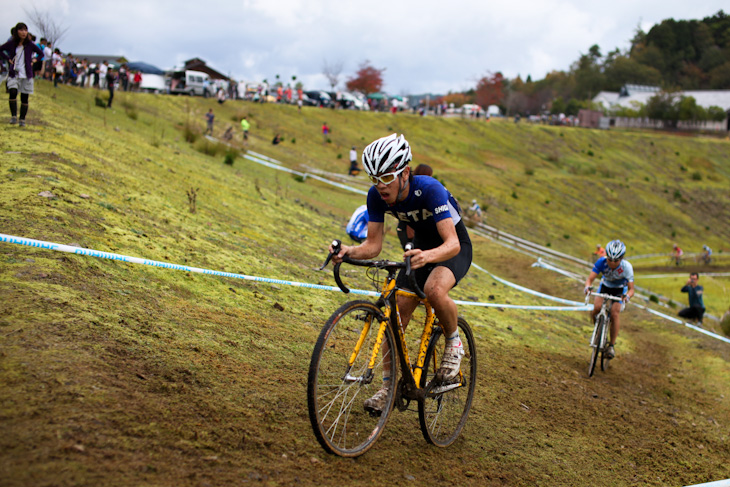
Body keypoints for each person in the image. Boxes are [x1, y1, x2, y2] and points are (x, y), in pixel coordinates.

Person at [330, 134, 472, 414]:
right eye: (374, 179)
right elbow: (372, 246)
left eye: (386, 177)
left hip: (452, 248)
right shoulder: (376, 196)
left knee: (434, 289)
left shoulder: (430, 189)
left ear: (405, 172)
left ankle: (454, 341)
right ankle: (387, 388)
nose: (380, 186)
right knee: (395, 315)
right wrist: (347, 251)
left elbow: (452, 243)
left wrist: (427, 256)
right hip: (419, 251)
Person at [584, 240, 635, 360]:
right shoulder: (601, 262)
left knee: (614, 313)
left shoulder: (626, 267)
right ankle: (598, 329)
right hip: (605, 286)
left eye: (615, 261)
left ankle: (611, 345)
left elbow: (631, 289)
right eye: (609, 260)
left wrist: (627, 296)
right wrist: (587, 287)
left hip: (619, 290)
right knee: (596, 308)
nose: (612, 263)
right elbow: (589, 279)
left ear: (621, 259)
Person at [0, 23, 44, 127]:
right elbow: (0, 50)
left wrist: (34, 60)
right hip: (14, 73)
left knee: (25, 97)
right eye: (21, 30)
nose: (24, 32)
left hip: (26, 73)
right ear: (17, 31)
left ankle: (22, 119)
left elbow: (41, 54)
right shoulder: (11, 43)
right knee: (13, 92)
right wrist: (8, 59)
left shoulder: (30, 44)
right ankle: (13, 116)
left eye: (25, 30)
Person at [396, 163, 433, 249]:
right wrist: (412, 239)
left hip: (406, 230)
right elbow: (411, 217)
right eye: (430, 175)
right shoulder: (416, 192)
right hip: (410, 233)